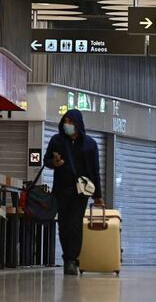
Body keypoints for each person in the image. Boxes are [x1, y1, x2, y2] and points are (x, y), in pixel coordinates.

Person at [44, 109, 103, 275]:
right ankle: (67, 258)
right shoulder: (57, 140)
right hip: (61, 190)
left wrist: (97, 196)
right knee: (63, 224)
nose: (67, 125)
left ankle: (72, 259)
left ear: (78, 124)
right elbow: (46, 160)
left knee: (75, 224)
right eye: (65, 121)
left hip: (81, 191)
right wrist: (54, 163)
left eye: (70, 122)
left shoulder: (90, 144)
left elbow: (95, 171)